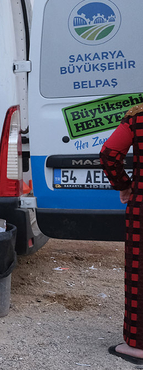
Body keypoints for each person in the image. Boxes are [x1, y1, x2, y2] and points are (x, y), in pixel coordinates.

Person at [100, 104, 143, 365]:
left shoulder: (137, 118)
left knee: (139, 274)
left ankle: (138, 346)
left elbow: (109, 154)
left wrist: (125, 186)